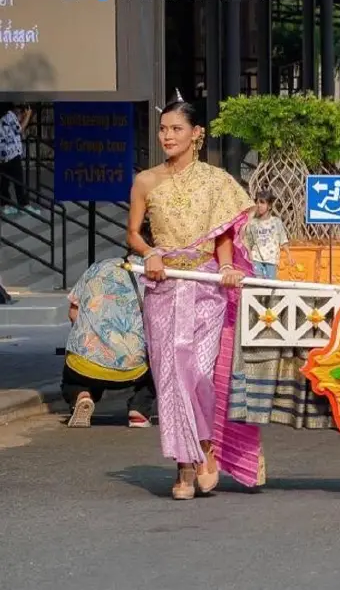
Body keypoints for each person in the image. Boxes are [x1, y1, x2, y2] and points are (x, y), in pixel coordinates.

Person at [126, 97, 261, 500]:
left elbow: (223, 235)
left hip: (204, 287)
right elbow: (133, 233)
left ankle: (205, 445)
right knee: (170, 377)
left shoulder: (217, 181)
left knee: (199, 373)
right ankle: (184, 465)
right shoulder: (146, 181)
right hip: (165, 286)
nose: (167, 136)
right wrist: (149, 253)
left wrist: (225, 268)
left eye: (176, 129)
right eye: (163, 129)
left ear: (196, 134)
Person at [62, 256, 155, 429]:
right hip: (134, 370)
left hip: (85, 365)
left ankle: (82, 395)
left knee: (72, 376)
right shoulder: (154, 274)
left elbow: (73, 313)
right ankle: (139, 411)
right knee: (159, 364)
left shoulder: (97, 268)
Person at [0, 102, 39, 217]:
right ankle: (24, 205)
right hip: (12, 153)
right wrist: (28, 115)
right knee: (18, 181)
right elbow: (20, 129)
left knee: (4, 181)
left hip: (2, 153)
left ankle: (5, 204)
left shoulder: (3, 116)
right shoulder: (9, 115)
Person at [245, 189, 293, 280]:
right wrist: (249, 254)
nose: (259, 205)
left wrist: (289, 255)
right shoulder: (252, 223)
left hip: (271, 260)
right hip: (256, 259)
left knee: (270, 285)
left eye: (262, 202)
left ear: (269, 206)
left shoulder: (276, 222)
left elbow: (283, 239)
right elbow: (248, 240)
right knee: (257, 284)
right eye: (257, 202)